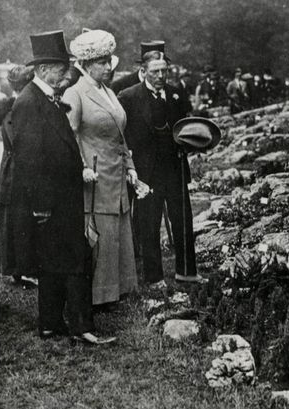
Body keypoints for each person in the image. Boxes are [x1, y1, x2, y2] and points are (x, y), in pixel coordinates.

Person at [11, 30, 113, 344]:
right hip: (50, 200)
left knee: (53, 263)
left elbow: (58, 145)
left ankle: (50, 323)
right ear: (42, 69)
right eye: (59, 66)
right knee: (73, 260)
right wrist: (40, 204)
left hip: (61, 195)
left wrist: (79, 168)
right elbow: (28, 158)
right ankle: (82, 326)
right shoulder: (31, 102)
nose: (65, 72)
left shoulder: (47, 97)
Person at [63, 29, 138, 306]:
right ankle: (98, 295)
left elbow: (120, 133)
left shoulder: (107, 91)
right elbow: (69, 138)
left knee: (117, 231)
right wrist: (81, 167)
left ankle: (117, 289)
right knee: (100, 234)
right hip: (94, 175)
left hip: (116, 172)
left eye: (109, 61)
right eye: (102, 63)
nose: (108, 67)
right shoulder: (75, 93)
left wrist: (130, 166)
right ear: (85, 65)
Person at [119, 49, 205, 286]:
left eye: (164, 71)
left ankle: (186, 271)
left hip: (175, 166)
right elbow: (122, 134)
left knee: (183, 219)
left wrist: (189, 144)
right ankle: (153, 276)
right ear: (143, 71)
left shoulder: (176, 94)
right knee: (148, 222)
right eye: (155, 71)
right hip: (147, 170)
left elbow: (185, 127)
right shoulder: (129, 96)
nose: (160, 76)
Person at [0, 64, 38, 288]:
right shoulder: (14, 111)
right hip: (16, 171)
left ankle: (23, 267)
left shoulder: (17, 107)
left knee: (21, 218)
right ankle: (21, 268)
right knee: (18, 218)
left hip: (18, 168)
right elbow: (20, 144)